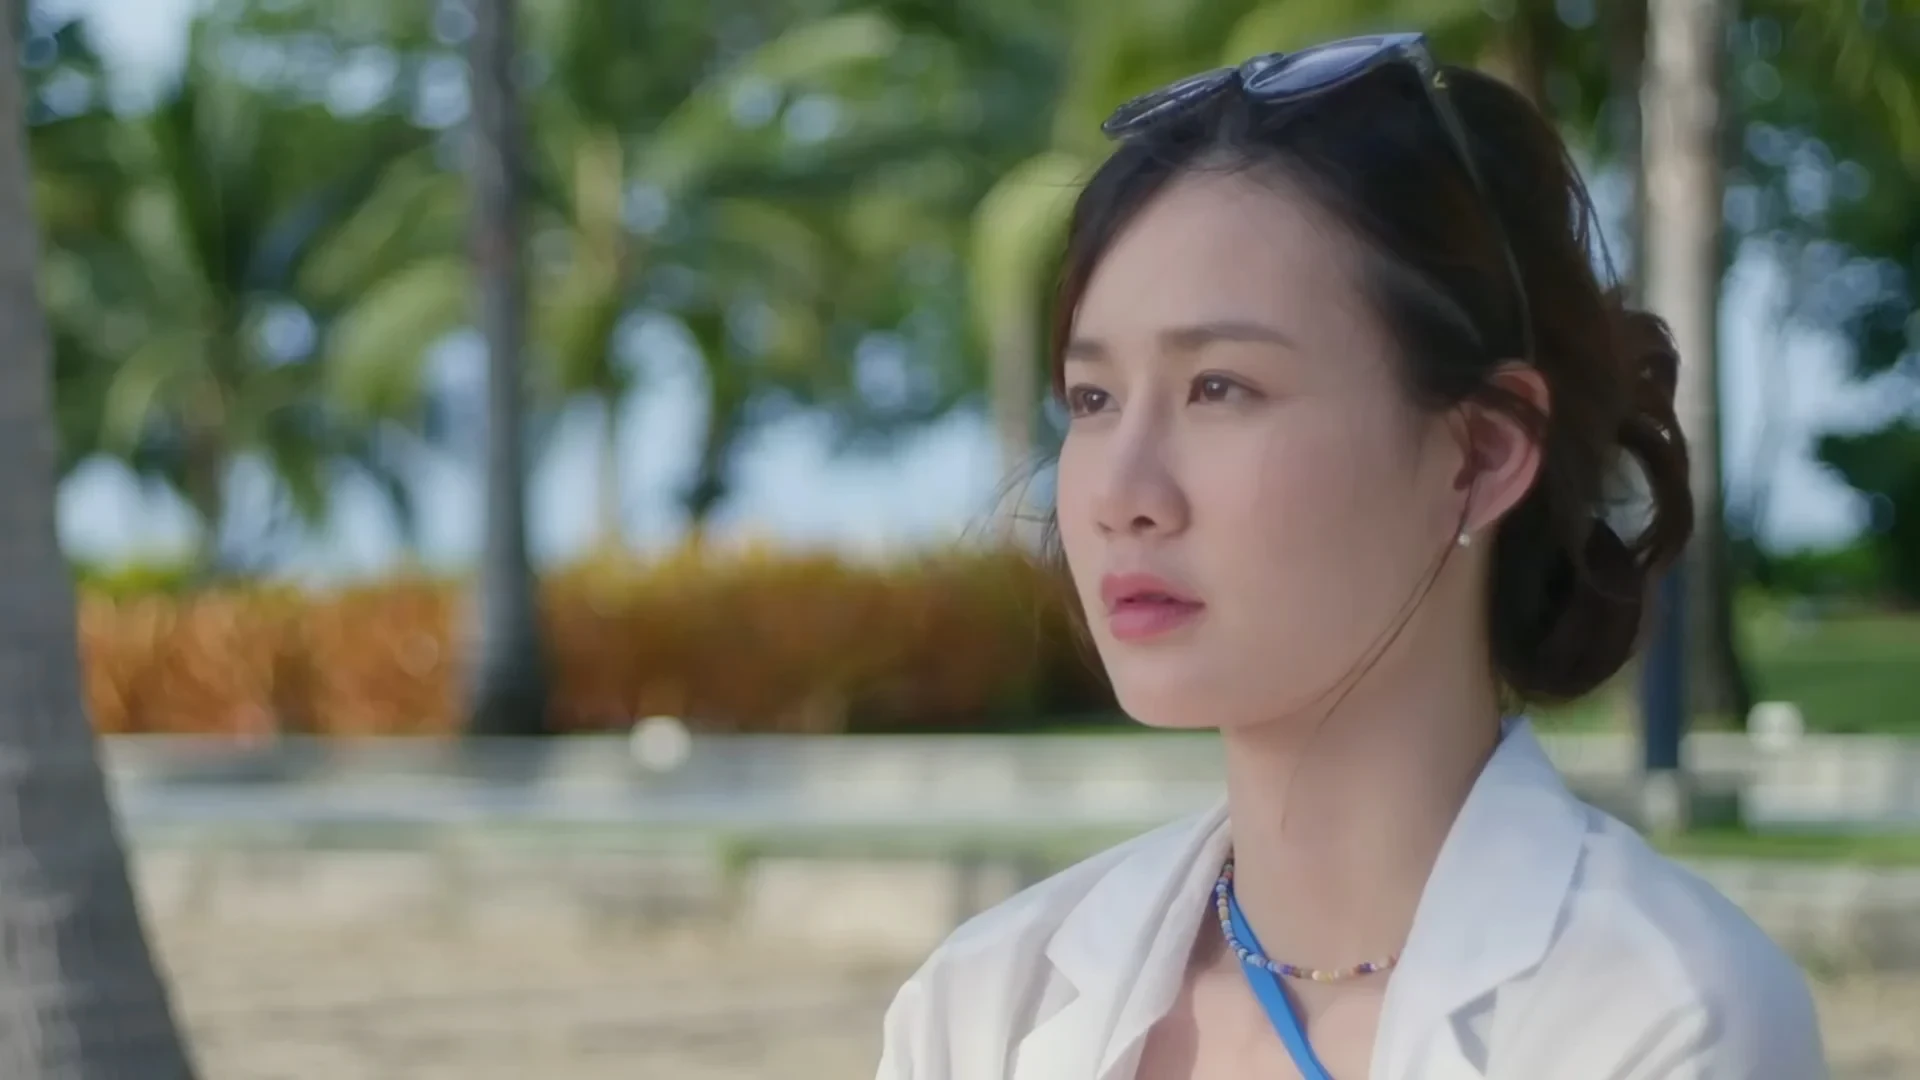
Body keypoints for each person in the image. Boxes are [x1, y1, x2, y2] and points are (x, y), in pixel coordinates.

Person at [874, 33, 1825, 1080]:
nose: (1121, 496)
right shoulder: (986, 1008)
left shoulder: (1660, 1016)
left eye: (1219, 388)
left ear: (1483, 451)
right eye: (1094, 399)